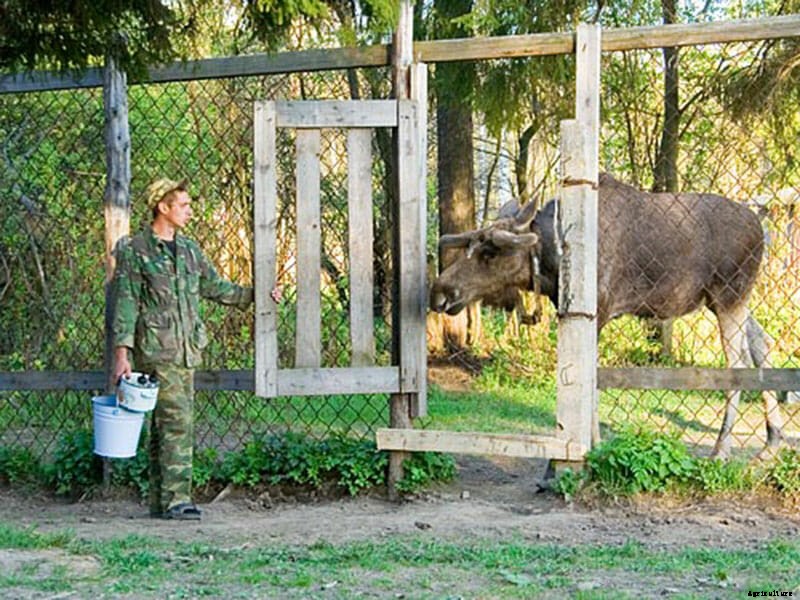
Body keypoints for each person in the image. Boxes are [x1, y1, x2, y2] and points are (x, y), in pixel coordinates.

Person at [112, 178, 277, 520]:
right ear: (164, 207)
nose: (190, 211)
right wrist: (121, 354)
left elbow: (214, 286)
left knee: (166, 425)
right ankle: (176, 501)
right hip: (158, 350)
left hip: (187, 351)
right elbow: (126, 302)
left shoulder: (188, 249)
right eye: (183, 205)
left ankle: (161, 501)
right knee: (177, 423)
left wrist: (257, 294)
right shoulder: (137, 249)